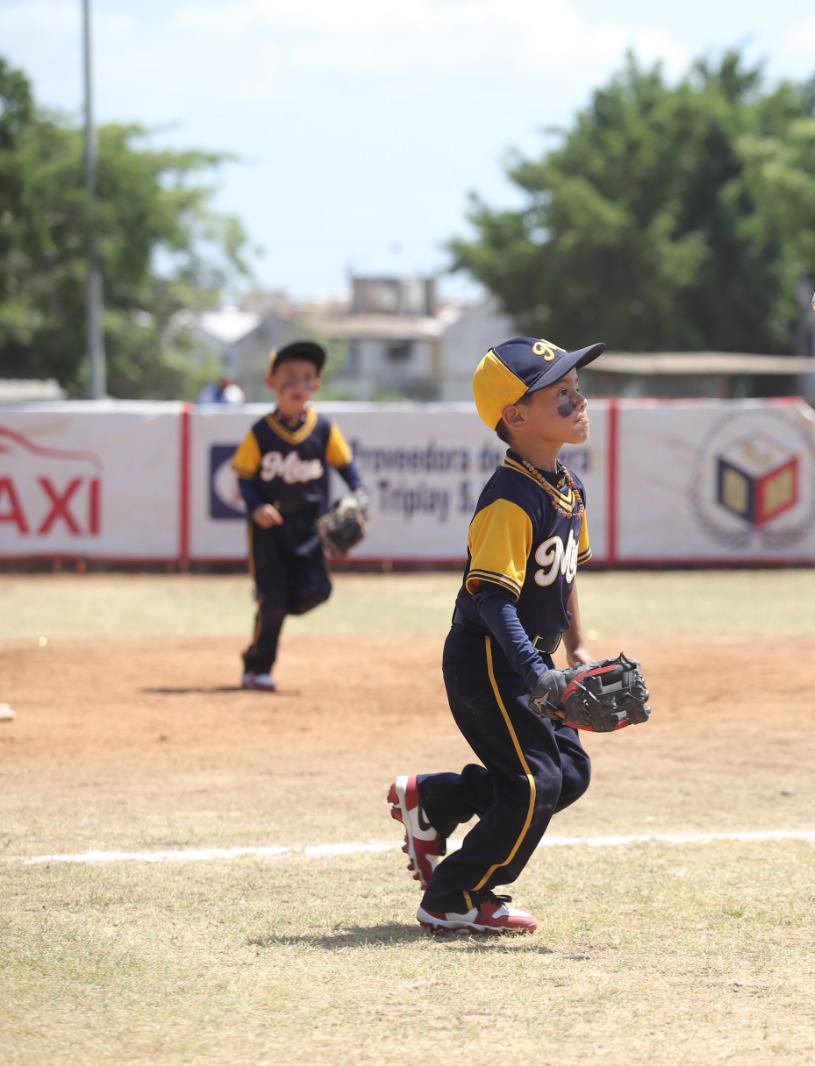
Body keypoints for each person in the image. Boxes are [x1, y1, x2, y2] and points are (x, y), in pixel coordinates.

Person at [387, 336, 604, 935]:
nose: (579, 400)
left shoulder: (567, 486)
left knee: (569, 773)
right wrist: (535, 674)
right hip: (488, 661)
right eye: (561, 393)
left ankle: (440, 801)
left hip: (531, 659)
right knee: (534, 784)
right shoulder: (511, 497)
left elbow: (564, 576)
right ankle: (454, 897)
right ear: (517, 416)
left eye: (576, 387)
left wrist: (578, 647)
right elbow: (491, 598)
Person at [230, 341, 366, 692]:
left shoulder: (323, 428)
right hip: (269, 527)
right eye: (288, 377)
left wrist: (359, 492)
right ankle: (257, 666)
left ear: (315, 386)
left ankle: (269, 607)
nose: (297, 385)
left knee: (318, 591)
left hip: (309, 526)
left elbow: (346, 466)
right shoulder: (261, 432)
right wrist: (256, 506)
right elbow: (244, 477)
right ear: (271, 382)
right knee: (274, 600)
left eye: (306, 378)